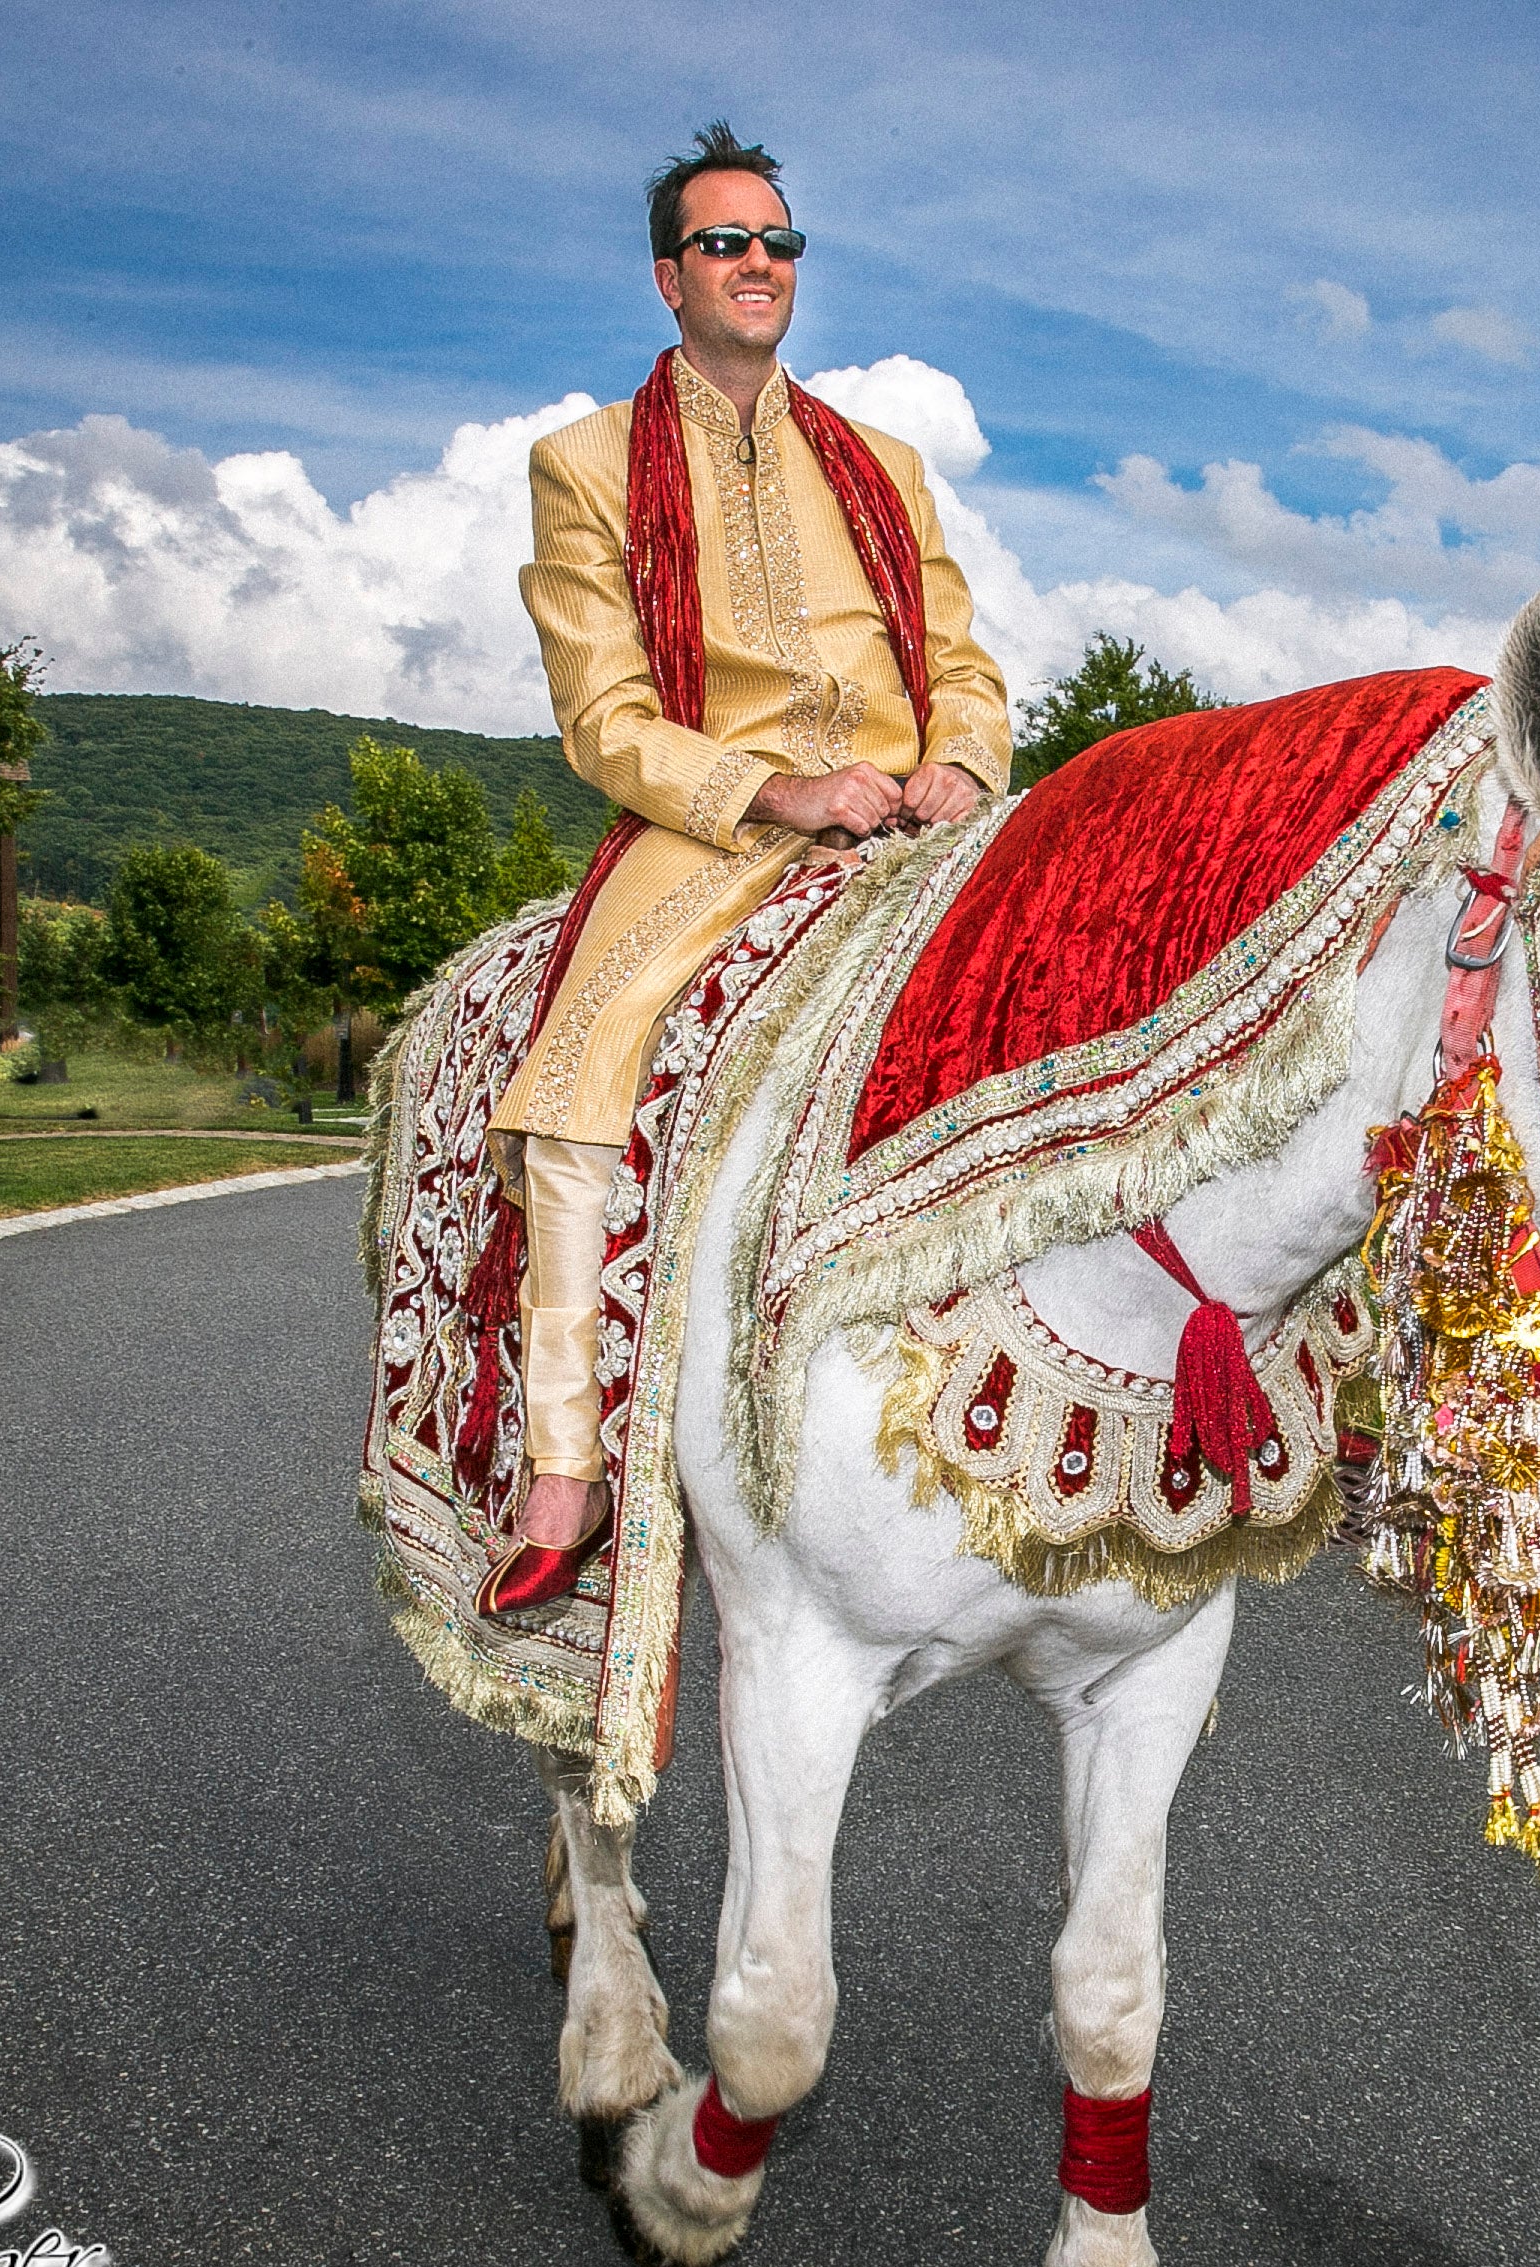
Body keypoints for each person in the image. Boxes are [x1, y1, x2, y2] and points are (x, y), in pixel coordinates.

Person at [482, 121, 1012, 1614]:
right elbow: (604, 719)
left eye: (780, 242)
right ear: (671, 277)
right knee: (580, 1083)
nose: (759, 263)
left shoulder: (884, 464)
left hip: (919, 813)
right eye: (726, 243)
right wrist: (776, 790)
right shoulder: (586, 465)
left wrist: (962, 765)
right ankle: (568, 1468)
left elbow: (966, 663)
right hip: (719, 822)